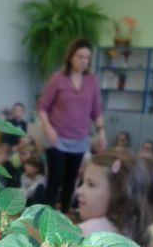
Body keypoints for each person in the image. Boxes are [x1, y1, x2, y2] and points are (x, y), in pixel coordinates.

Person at [38, 37, 107, 213]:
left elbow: (97, 110)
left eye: (87, 57)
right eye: (80, 56)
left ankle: (64, 218)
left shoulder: (92, 80)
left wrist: (101, 132)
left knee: (71, 181)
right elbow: (43, 108)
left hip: (79, 139)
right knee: (55, 179)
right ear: (70, 57)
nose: (83, 61)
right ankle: (45, 220)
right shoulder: (58, 79)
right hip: (56, 138)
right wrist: (49, 129)